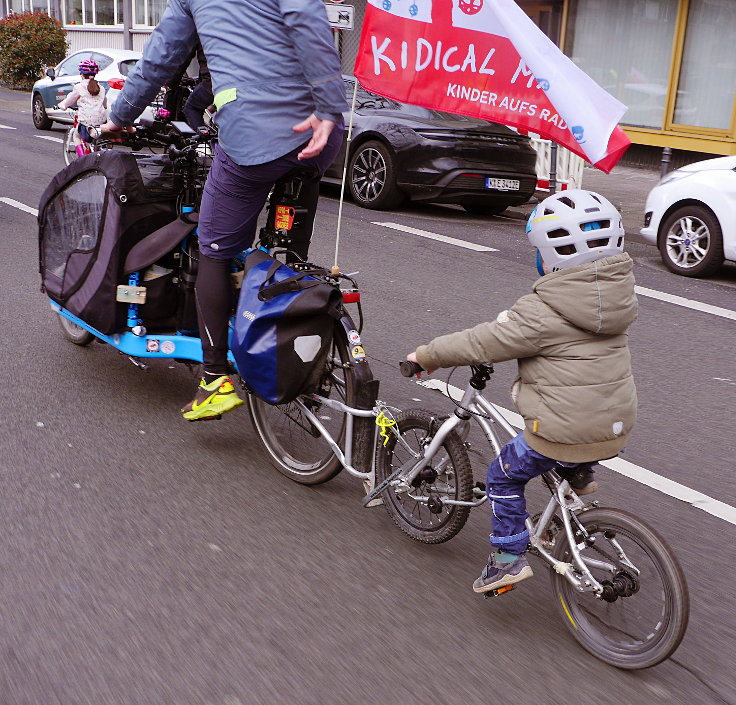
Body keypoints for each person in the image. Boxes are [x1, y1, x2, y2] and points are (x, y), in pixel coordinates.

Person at [99, 0, 346, 421]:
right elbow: (307, 19)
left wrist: (120, 116)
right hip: (319, 134)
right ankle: (290, 282)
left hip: (252, 135)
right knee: (290, 224)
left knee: (214, 245)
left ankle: (215, 378)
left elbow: (160, 59)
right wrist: (328, 104)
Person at [407, 190, 638, 593]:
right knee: (573, 428)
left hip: (563, 431)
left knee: (502, 477)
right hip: (616, 423)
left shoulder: (543, 310)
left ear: (554, 255)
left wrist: (428, 355)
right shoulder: (617, 298)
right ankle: (578, 476)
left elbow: (482, 343)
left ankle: (508, 559)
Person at [59, 58, 107, 157]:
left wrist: (62, 106)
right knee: (97, 139)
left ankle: (82, 159)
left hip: (86, 121)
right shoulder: (101, 88)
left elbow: (69, 100)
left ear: (81, 73)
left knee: (76, 135)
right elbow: (105, 104)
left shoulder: (79, 87)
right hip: (101, 121)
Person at [182, 44, 213, 131]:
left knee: (191, 107)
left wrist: (171, 83)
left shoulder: (202, 32)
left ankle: (201, 140)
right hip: (242, 80)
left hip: (214, 83)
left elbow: (184, 58)